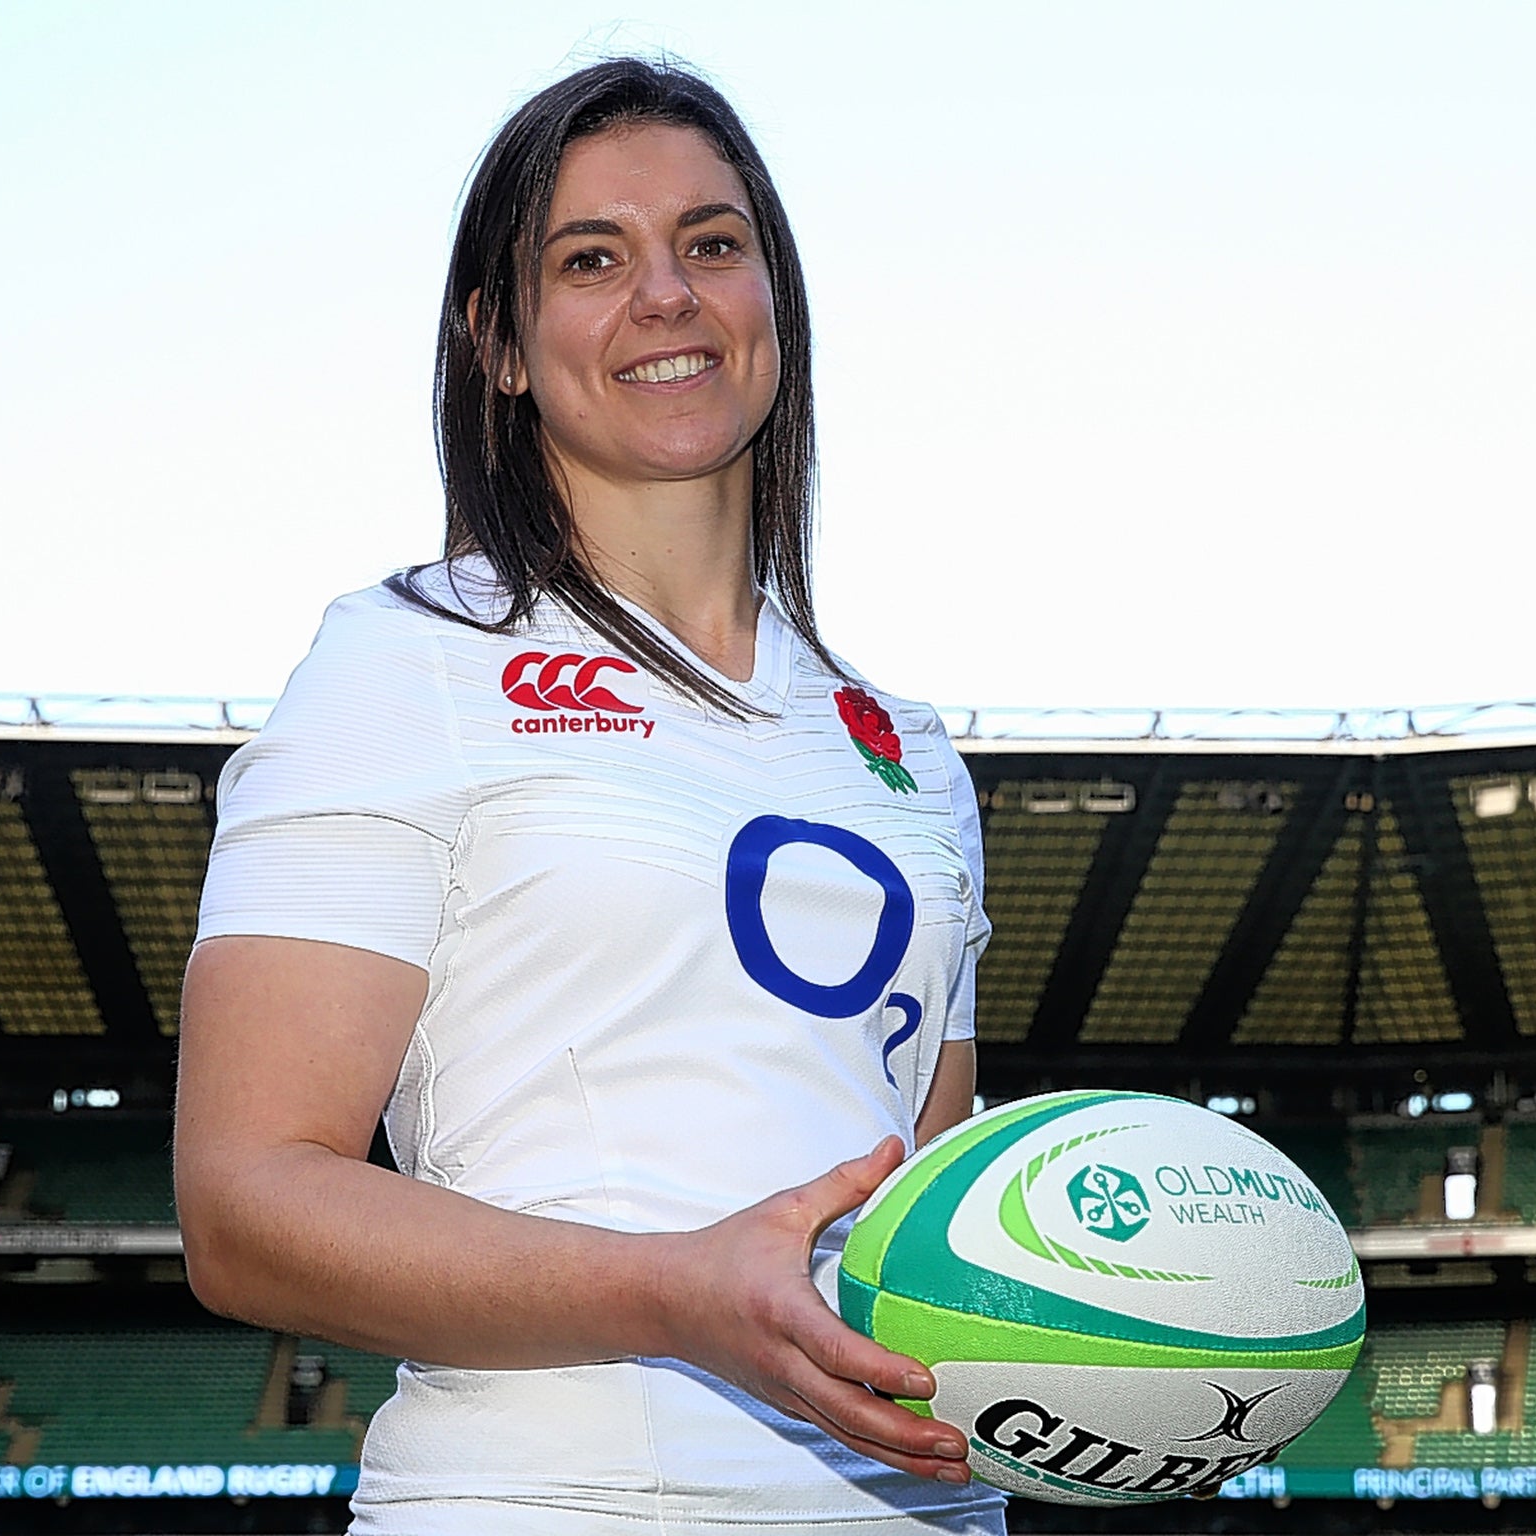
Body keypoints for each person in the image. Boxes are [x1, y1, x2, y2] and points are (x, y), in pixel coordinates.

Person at [175, 57, 1003, 1535]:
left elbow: (922, 1207)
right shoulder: (406, 664)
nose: (668, 295)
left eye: (711, 243)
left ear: (773, 301)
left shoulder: (910, 754)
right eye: (592, 259)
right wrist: (669, 1292)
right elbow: (243, 1209)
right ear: (498, 342)